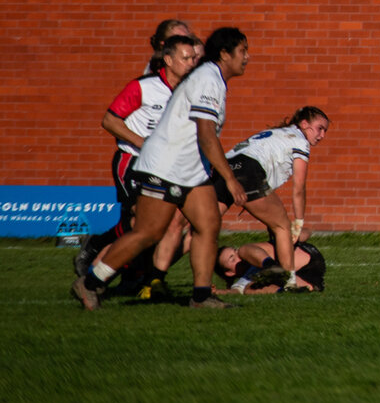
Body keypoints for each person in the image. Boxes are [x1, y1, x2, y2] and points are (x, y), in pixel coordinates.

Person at [75, 27, 253, 311]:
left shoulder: (214, 79)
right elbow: (206, 134)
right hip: (165, 166)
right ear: (224, 54)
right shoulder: (208, 78)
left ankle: (201, 295)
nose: (247, 58)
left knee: (208, 225)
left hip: (190, 170)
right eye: (243, 51)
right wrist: (230, 179)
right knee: (148, 232)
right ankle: (91, 282)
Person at [78, 21, 200, 292]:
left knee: (166, 224)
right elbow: (109, 121)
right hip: (132, 160)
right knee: (138, 222)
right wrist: (144, 143)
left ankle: (140, 279)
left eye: (194, 58)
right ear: (166, 57)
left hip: (163, 167)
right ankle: (95, 274)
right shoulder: (144, 86)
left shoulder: (190, 92)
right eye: (187, 58)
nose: (192, 63)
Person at [218, 106, 330, 282]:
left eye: (325, 131)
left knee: (201, 229)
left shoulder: (277, 133)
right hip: (248, 170)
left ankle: (161, 275)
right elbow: (299, 187)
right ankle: (289, 281)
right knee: (283, 226)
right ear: (304, 124)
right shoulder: (300, 141)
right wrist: (299, 221)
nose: (322, 135)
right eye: (320, 128)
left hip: (225, 165)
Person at [215, 239, 326, 294]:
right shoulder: (243, 281)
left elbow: (306, 231)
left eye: (236, 251)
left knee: (245, 249)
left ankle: (271, 267)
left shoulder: (255, 253)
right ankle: (290, 290)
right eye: (233, 259)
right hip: (306, 277)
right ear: (230, 273)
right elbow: (234, 292)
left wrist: (295, 233)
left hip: (301, 254)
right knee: (249, 289)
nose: (239, 257)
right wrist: (218, 292)